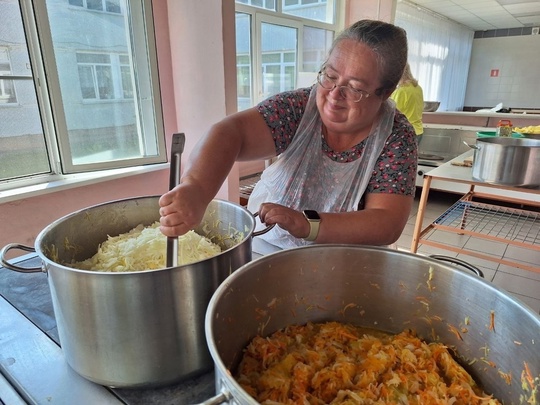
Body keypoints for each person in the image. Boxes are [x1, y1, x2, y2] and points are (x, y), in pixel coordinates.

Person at [159, 19, 418, 249]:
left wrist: (308, 224)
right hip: (264, 245)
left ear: (386, 92)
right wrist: (196, 187)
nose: (333, 95)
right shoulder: (297, 108)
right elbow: (231, 132)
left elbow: (386, 222)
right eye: (329, 76)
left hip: (341, 264)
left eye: (355, 88)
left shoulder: (396, 137)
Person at [390, 63, 424, 143]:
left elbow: (392, 114)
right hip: (418, 130)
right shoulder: (418, 88)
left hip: (405, 133)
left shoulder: (401, 91)